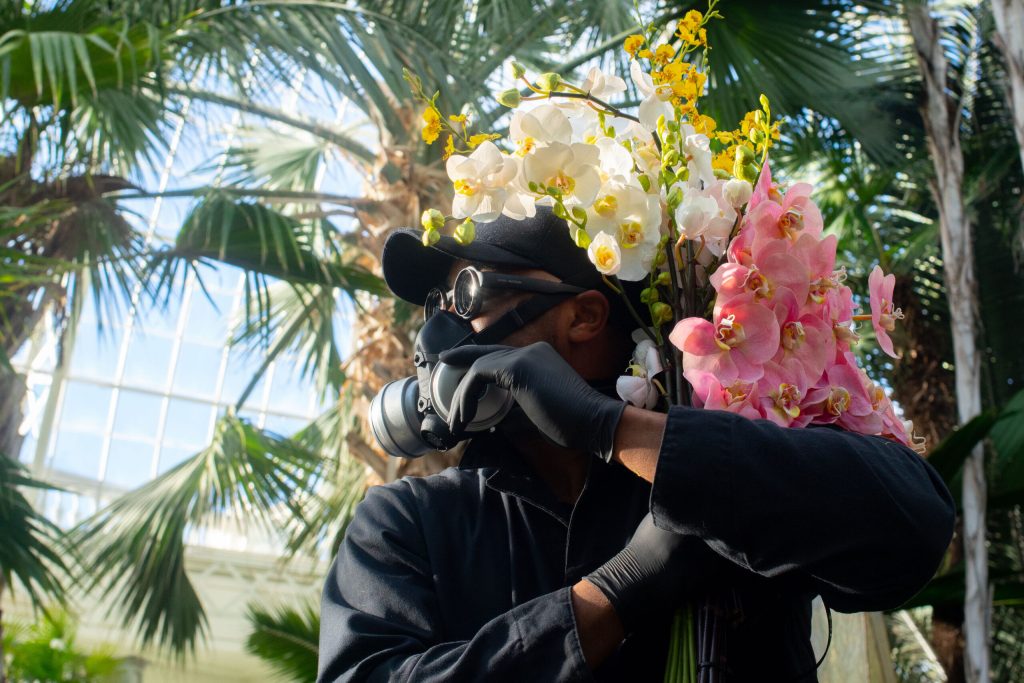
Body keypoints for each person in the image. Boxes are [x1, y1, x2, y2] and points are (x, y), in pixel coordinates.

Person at [317, 209, 955, 682]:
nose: (440, 331)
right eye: (436, 303)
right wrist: (614, 596)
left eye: (468, 294)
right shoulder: (408, 523)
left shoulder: (729, 483)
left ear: (584, 316)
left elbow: (917, 525)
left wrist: (615, 430)